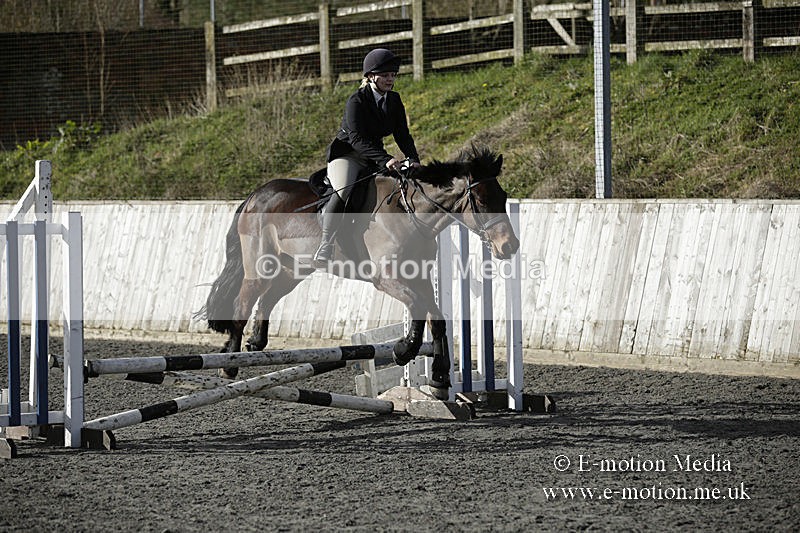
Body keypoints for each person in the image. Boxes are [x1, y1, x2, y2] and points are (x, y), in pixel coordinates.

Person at [312, 48, 422, 267]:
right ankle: (325, 244)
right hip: (347, 155)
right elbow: (356, 139)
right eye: (385, 75)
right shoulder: (357, 101)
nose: (390, 79)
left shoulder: (394, 100)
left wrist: (413, 158)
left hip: (373, 156)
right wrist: (386, 159)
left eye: (393, 74)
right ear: (371, 76)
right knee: (344, 189)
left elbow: (402, 134)